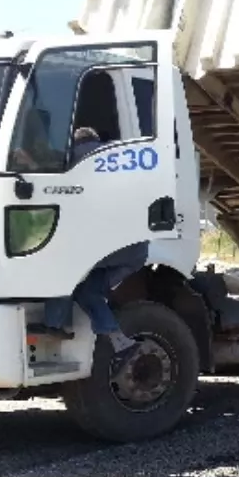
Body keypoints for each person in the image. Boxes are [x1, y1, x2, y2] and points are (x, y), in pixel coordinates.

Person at [26, 127, 147, 374]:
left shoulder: (78, 156)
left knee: (64, 271)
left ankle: (53, 324)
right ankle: (121, 343)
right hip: (134, 249)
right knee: (88, 292)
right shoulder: (117, 158)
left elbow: (46, 171)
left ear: (77, 143)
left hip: (106, 247)